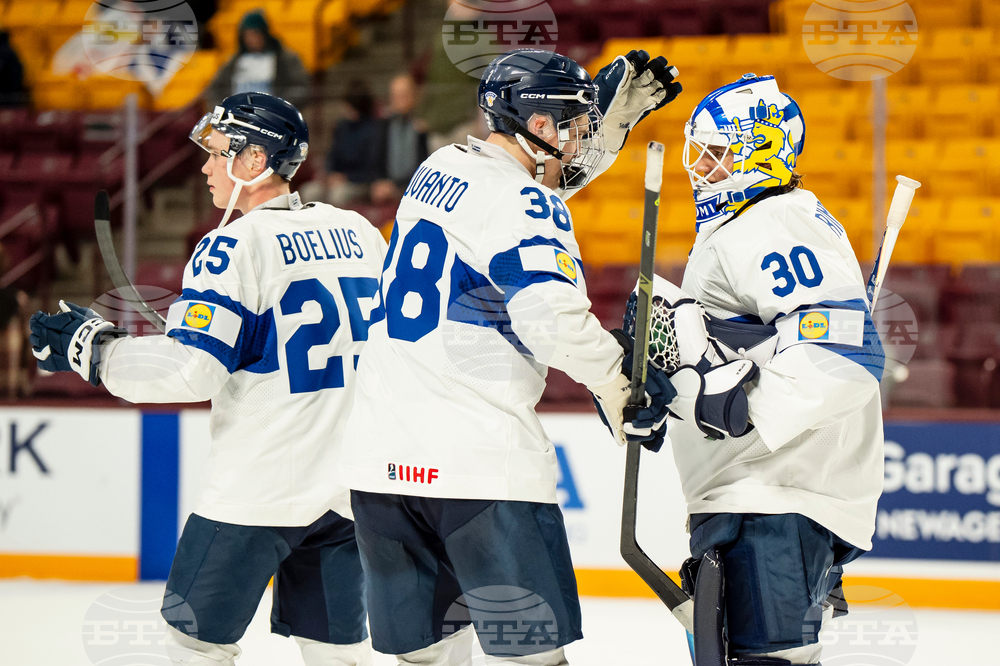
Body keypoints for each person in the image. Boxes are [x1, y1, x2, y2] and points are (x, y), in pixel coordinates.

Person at [338, 49, 682, 665]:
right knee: (532, 658)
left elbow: (519, 194)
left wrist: (607, 131)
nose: (582, 135)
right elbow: (548, 312)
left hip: (380, 462)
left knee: (425, 659)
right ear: (540, 126)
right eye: (573, 123)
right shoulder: (528, 202)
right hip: (479, 465)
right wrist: (620, 382)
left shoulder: (437, 167)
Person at [28, 92, 386, 666]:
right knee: (335, 651)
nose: (204, 166)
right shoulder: (360, 232)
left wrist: (95, 351)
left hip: (257, 486)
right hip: (344, 488)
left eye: (218, 152)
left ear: (254, 162)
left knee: (194, 644)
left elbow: (192, 371)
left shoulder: (232, 246)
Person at [637, 73, 885, 665]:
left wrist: (738, 405)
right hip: (756, 495)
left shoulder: (768, 221)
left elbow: (849, 349)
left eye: (718, 153)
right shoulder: (756, 223)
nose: (702, 168)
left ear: (761, 151)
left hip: (773, 497)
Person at [205, 10, 309, 108]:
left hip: (273, 117)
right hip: (238, 116)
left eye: (256, 34)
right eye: (248, 35)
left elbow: (302, 88)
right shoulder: (233, 61)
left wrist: (279, 104)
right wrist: (225, 106)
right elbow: (214, 89)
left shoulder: (285, 58)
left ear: (265, 34)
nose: (252, 39)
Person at [371, 73, 429, 205]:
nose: (400, 100)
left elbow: (425, 166)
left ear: (414, 96)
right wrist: (380, 181)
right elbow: (375, 162)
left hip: (414, 186)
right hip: (387, 184)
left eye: (404, 95)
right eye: (396, 95)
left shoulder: (422, 129)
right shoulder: (383, 126)